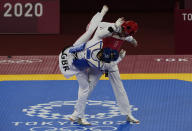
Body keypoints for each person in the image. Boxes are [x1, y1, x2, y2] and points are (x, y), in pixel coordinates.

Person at [59, 5, 139, 125]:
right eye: (123, 32)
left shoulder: (126, 34)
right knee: (88, 87)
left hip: (110, 61)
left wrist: (132, 40)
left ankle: (128, 114)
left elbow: (127, 37)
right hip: (98, 61)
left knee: (119, 86)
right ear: (120, 27)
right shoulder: (108, 28)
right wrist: (109, 22)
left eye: (126, 35)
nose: (124, 35)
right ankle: (77, 113)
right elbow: (97, 28)